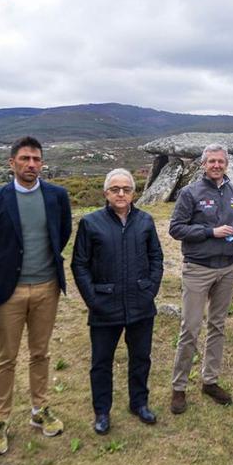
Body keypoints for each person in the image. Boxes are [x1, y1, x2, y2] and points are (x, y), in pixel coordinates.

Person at [0, 136, 72, 454]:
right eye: (25, 159)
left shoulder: (57, 196)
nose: (31, 164)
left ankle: (39, 409)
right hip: (9, 290)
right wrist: (6, 265)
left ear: (42, 163)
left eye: (36, 159)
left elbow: (63, 233)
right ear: (12, 162)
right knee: (5, 358)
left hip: (47, 286)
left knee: (40, 353)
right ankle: (0, 419)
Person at [71, 169, 164, 434]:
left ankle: (139, 403)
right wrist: (93, 299)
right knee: (101, 362)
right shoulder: (90, 223)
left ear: (134, 193)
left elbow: (156, 258)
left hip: (141, 303)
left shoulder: (145, 221)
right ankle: (102, 411)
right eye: (115, 189)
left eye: (126, 189)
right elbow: (80, 264)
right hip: (104, 304)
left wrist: (150, 290)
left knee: (141, 357)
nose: (121, 194)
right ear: (106, 193)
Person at [168, 143, 233, 414]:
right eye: (211, 161)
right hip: (198, 268)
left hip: (228, 267)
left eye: (221, 161)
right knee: (190, 328)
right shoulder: (190, 193)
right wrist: (209, 232)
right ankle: (179, 387)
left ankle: (210, 380)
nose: (216, 165)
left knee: (217, 326)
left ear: (227, 164)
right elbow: (176, 229)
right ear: (203, 164)